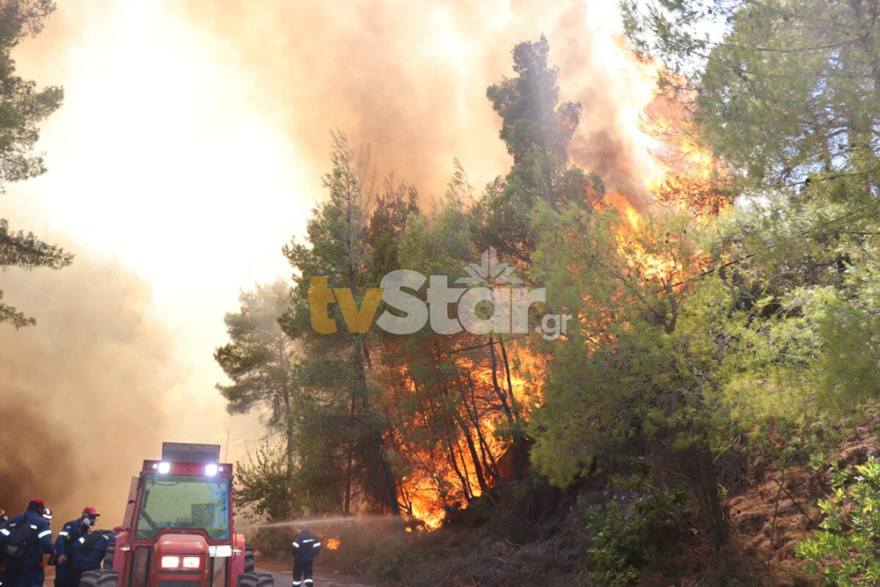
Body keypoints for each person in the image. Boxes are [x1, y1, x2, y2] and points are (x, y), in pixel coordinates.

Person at [0, 498, 55, 587]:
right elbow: (47, 544)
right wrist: (54, 551)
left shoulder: (15, 519)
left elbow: (2, 539)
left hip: (10, 562)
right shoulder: (42, 523)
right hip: (29, 565)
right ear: (40, 509)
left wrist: (3, 557)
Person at [54, 507, 100, 587]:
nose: (93, 520)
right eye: (92, 517)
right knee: (62, 582)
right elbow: (60, 539)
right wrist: (61, 553)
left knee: (73, 582)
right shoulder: (71, 525)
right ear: (85, 516)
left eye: (94, 518)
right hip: (65, 558)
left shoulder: (87, 531)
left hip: (75, 561)